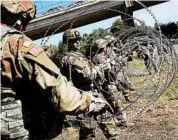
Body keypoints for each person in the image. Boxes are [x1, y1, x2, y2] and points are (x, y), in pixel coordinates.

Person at [1, 1, 109, 139]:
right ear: (18, 18)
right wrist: (89, 102)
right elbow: (61, 94)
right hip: (16, 130)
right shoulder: (15, 43)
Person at [60, 29, 118, 140]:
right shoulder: (70, 58)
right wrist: (102, 67)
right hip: (83, 97)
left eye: (79, 40)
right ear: (67, 43)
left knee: (109, 125)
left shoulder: (79, 56)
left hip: (94, 94)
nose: (78, 42)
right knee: (88, 131)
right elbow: (86, 74)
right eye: (74, 41)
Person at [93, 38, 129, 128]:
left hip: (108, 84)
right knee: (117, 105)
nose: (107, 48)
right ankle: (121, 123)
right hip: (108, 85)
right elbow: (110, 72)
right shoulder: (99, 58)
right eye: (106, 46)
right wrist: (115, 64)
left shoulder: (98, 57)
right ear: (102, 47)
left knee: (116, 104)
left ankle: (120, 121)